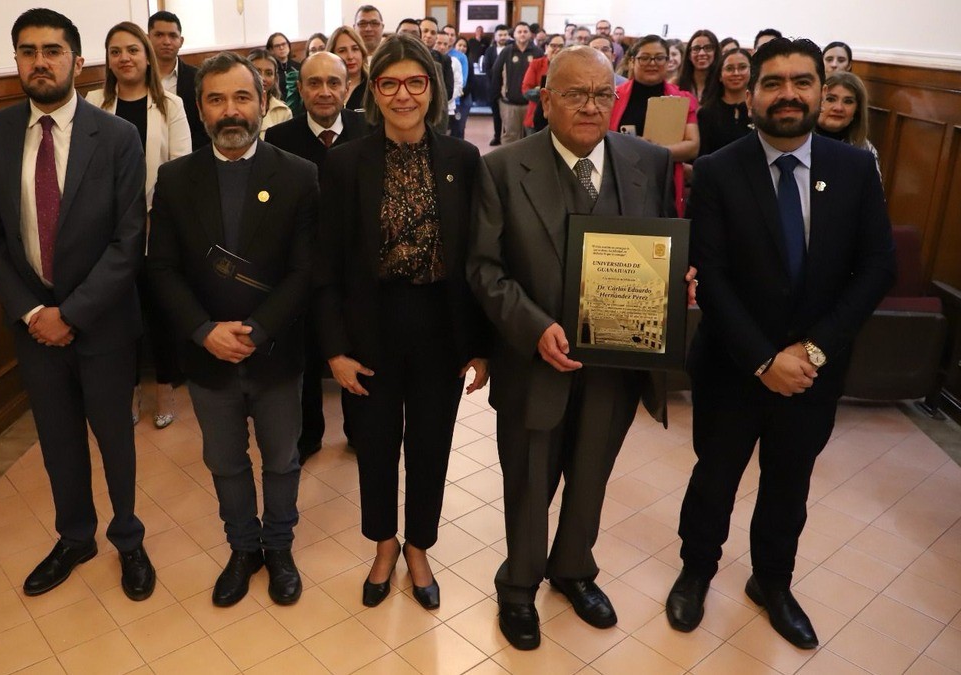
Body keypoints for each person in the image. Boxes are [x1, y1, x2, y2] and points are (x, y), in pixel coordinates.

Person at [665, 37, 895, 650]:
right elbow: (708, 274)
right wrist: (765, 359)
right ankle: (696, 571)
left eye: (801, 81)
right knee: (714, 477)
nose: (788, 93)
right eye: (773, 82)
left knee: (789, 483)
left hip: (813, 374)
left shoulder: (854, 169)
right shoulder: (718, 169)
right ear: (752, 95)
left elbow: (876, 267)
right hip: (731, 365)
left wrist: (810, 353)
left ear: (823, 90)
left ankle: (772, 581)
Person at [468, 45, 674, 650]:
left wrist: (675, 278)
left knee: (591, 476)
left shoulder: (649, 161)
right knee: (529, 482)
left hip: (617, 361)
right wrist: (533, 327)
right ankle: (519, 584)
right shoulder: (503, 168)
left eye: (602, 94)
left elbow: (663, 246)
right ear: (547, 98)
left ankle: (575, 569)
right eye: (575, 94)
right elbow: (483, 269)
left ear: (616, 98)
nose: (590, 105)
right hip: (535, 361)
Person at [0, 8, 155, 602]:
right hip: (33, 327)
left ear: (78, 62)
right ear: (17, 61)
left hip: (100, 322)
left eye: (52, 50)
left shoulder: (118, 136)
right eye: (28, 51)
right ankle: (75, 536)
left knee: (113, 438)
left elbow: (130, 240)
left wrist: (70, 314)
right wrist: (32, 313)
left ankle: (128, 538)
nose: (39, 61)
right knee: (57, 439)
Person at [316, 33, 490, 611]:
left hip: (439, 325)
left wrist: (479, 344)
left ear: (432, 91)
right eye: (389, 83)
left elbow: (479, 259)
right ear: (372, 92)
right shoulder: (344, 164)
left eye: (416, 82)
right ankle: (383, 544)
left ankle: (419, 546)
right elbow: (327, 265)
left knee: (431, 446)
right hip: (370, 326)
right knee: (374, 443)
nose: (403, 94)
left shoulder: (462, 159)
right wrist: (335, 349)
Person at [148, 51, 318, 608]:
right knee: (223, 461)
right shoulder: (174, 180)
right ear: (200, 109)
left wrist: (260, 328)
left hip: (276, 352)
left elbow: (305, 269)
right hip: (208, 358)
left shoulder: (298, 175)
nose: (230, 111)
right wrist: (203, 331)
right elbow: (163, 268)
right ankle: (243, 549)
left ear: (262, 102)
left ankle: (281, 547)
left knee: (282, 458)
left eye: (242, 97)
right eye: (216, 99)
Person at [265, 52, 370, 461]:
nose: (324, 91)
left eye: (333, 82)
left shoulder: (369, 131)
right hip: (303, 268)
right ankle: (308, 435)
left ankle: (360, 431)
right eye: (313, 83)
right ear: (300, 90)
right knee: (306, 355)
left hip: (357, 270)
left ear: (347, 87)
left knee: (358, 350)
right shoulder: (278, 140)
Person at [86, 22, 192, 430]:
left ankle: (164, 387)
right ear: (108, 60)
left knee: (159, 311)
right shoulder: (93, 103)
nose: (125, 58)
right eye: (115, 51)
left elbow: (179, 166)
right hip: (107, 230)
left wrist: (152, 214)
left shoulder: (170, 104)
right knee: (117, 314)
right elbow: (88, 169)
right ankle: (128, 389)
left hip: (156, 224)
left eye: (133, 49)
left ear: (147, 56)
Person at [609, 35, 700, 215]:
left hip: (664, 183)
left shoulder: (682, 99)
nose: (652, 63)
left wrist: (649, 150)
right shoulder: (613, 96)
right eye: (644, 58)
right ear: (632, 61)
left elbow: (692, 146)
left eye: (659, 58)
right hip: (618, 179)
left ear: (668, 61)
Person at [148, 10, 210, 150]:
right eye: (159, 35)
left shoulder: (198, 78)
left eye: (172, 36)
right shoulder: (138, 78)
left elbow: (204, 126)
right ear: (147, 38)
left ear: (181, 41)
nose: (166, 42)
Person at [817, 71, 882, 173]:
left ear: (857, 110)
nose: (838, 108)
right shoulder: (798, 141)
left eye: (848, 101)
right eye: (830, 99)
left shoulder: (865, 150)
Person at [490, 22, 544, 144]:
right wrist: (497, 96)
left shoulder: (537, 52)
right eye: (519, 32)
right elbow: (496, 73)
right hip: (509, 103)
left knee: (530, 138)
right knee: (510, 136)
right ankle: (509, 163)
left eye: (525, 31)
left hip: (530, 104)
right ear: (513, 35)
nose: (522, 34)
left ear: (530, 34)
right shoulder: (506, 51)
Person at [697, 48, 752, 156]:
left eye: (742, 67)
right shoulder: (706, 113)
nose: (736, 73)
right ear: (720, 76)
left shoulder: (760, 109)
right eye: (729, 68)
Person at [521, 34, 566, 134]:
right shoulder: (536, 64)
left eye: (561, 46)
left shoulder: (570, 66)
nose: (557, 49)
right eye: (553, 46)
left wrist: (540, 89)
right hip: (536, 118)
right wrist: (553, 94)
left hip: (562, 119)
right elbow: (526, 91)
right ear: (546, 47)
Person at [248, 49, 294, 137]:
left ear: (275, 78)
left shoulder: (283, 111)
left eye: (269, 73)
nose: (263, 78)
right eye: (257, 72)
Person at [481, 24, 511, 145]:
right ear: (495, 36)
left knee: (508, 115)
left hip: (508, 88)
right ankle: (497, 136)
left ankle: (507, 136)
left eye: (505, 34)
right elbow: (486, 68)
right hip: (493, 88)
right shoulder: (490, 50)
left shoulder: (511, 49)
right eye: (500, 35)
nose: (503, 37)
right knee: (496, 114)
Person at [328, 25, 370, 111]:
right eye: (342, 51)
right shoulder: (324, 88)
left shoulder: (373, 87)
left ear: (362, 52)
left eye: (355, 49)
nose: (350, 56)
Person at [677, 30, 720, 104]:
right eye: (696, 49)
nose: (701, 53)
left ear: (715, 53)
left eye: (708, 48)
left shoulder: (723, 84)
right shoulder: (676, 84)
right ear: (689, 55)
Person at [449, 36, 474, 138]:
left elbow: (468, 81)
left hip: (463, 97)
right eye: (460, 45)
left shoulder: (466, 59)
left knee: (459, 127)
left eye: (465, 46)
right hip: (453, 96)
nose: (462, 48)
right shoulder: (449, 57)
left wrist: (460, 92)